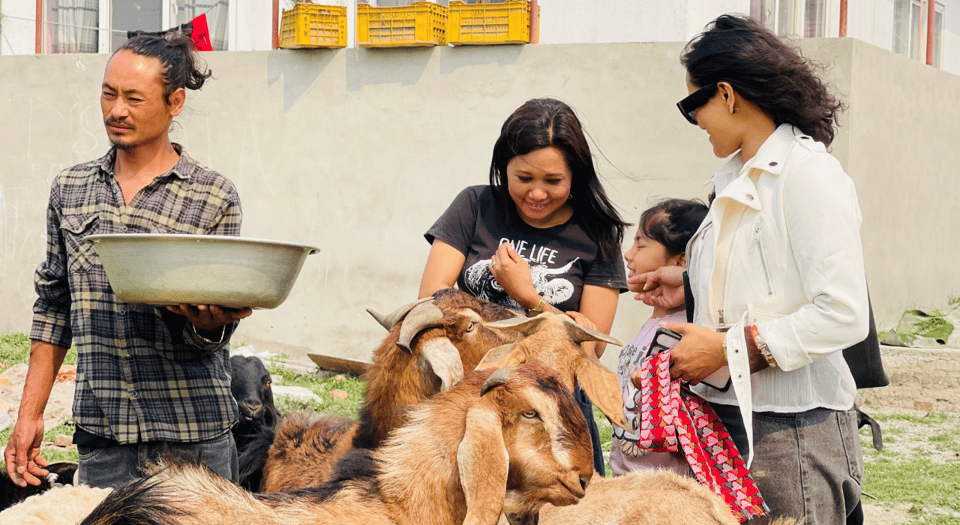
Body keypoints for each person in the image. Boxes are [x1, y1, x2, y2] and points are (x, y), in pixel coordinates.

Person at [634, 14, 867, 524]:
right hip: (728, 420)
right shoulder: (736, 180)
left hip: (792, 433)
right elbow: (766, 282)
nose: (695, 121)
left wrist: (726, 349)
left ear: (727, 94)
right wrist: (688, 284)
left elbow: (844, 313)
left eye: (692, 104)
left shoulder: (806, 175)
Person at [3, 32, 252, 489]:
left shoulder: (213, 195)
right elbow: (54, 306)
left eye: (134, 98)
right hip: (104, 439)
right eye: (108, 93)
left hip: (192, 440)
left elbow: (215, 331)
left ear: (175, 102)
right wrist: (30, 415)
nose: (117, 110)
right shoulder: (71, 189)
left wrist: (208, 323)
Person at [420, 98, 629, 475]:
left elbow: (591, 347)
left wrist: (529, 299)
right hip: (469, 400)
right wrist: (558, 320)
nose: (537, 194)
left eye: (553, 181)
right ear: (504, 168)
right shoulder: (474, 206)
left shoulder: (597, 233)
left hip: (551, 416)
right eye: (524, 179)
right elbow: (431, 301)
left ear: (575, 177)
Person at [610, 198, 707, 477]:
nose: (628, 255)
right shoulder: (653, 324)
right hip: (628, 479)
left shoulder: (688, 331)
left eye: (641, 245)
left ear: (682, 261)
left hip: (667, 487)